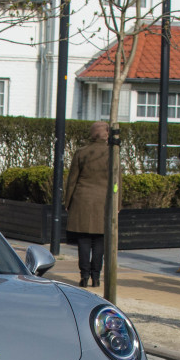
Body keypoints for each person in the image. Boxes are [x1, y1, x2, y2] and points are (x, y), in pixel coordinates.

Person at [64, 121, 110, 288]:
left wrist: (67, 201)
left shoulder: (81, 153)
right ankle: (96, 277)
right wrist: (117, 204)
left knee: (83, 240)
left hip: (82, 199)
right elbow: (117, 181)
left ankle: (84, 276)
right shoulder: (112, 153)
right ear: (107, 134)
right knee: (100, 241)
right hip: (104, 202)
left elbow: (72, 180)